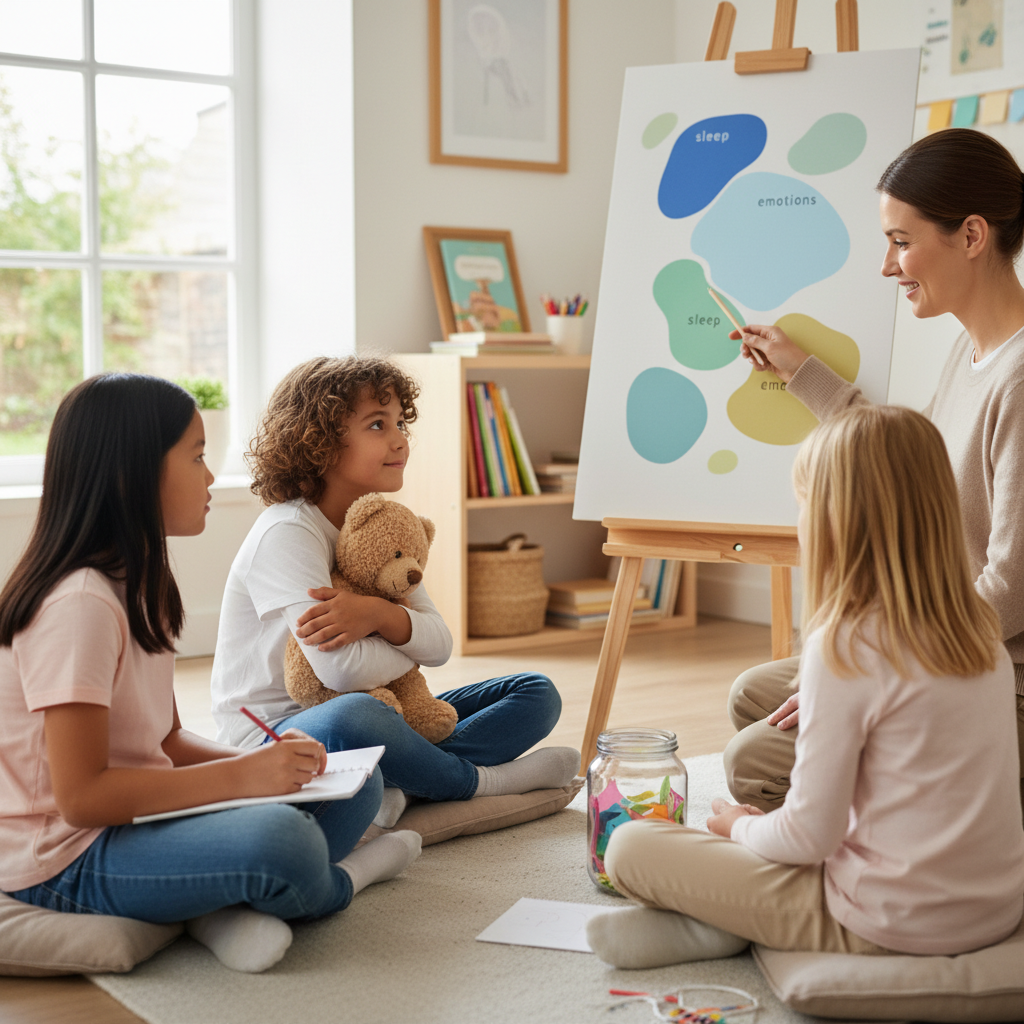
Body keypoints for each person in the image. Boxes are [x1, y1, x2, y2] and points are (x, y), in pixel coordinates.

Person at [0, 374, 422, 974]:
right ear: (135, 473)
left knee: (360, 784)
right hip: (66, 856)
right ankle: (346, 878)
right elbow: (82, 797)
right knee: (286, 842)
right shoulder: (80, 606)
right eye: (197, 457)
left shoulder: (139, 583)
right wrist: (244, 778)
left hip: (140, 819)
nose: (209, 477)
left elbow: (165, 741)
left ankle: (218, 906)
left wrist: (283, 770)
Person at [585, 405, 1024, 969]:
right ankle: (721, 925)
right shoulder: (980, 633)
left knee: (629, 846)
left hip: (893, 921)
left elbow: (807, 839)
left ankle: (725, 925)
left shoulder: (846, 647)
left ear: (832, 523)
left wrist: (740, 827)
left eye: (803, 506)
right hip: (996, 910)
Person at [723, 129, 1024, 814]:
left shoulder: (1020, 380)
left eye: (900, 239)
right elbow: (900, 460)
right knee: (754, 695)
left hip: (995, 680)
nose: (889, 266)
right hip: (945, 649)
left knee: (755, 761)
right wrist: (804, 375)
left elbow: (1008, 589)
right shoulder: (972, 353)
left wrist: (879, 668)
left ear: (972, 235)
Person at [210, 356, 578, 830]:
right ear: (318, 441)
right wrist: (407, 639)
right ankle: (480, 784)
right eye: (377, 424)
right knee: (360, 713)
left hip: (387, 706)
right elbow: (339, 672)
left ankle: (404, 782)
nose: (400, 438)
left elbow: (440, 644)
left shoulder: (383, 525)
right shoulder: (288, 533)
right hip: (281, 733)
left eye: (401, 422)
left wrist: (378, 616)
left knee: (535, 693)